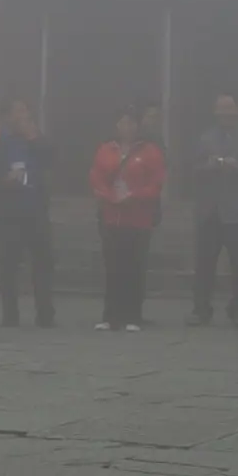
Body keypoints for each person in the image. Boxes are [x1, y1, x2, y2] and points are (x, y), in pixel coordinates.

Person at [0, 97, 55, 328]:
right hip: (7, 212)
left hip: (36, 210)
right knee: (8, 265)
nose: (23, 116)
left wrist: (33, 137)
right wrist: (4, 181)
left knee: (43, 262)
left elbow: (51, 159)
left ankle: (45, 313)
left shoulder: (36, 138)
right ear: (7, 116)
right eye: (18, 111)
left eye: (26, 110)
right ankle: (10, 315)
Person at [189, 93, 238, 326]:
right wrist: (209, 166)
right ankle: (201, 310)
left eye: (229, 108)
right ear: (214, 112)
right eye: (220, 109)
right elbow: (192, 171)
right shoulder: (206, 138)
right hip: (209, 212)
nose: (225, 113)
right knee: (204, 265)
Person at [89, 107, 165, 332]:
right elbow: (96, 177)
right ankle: (110, 315)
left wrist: (133, 196)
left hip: (139, 218)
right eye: (123, 123)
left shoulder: (151, 151)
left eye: (132, 123)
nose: (127, 127)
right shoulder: (105, 150)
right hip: (111, 217)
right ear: (116, 126)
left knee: (134, 266)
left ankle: (133, 315)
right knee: (112, 267)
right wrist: (109, 196)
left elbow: (156, 182)